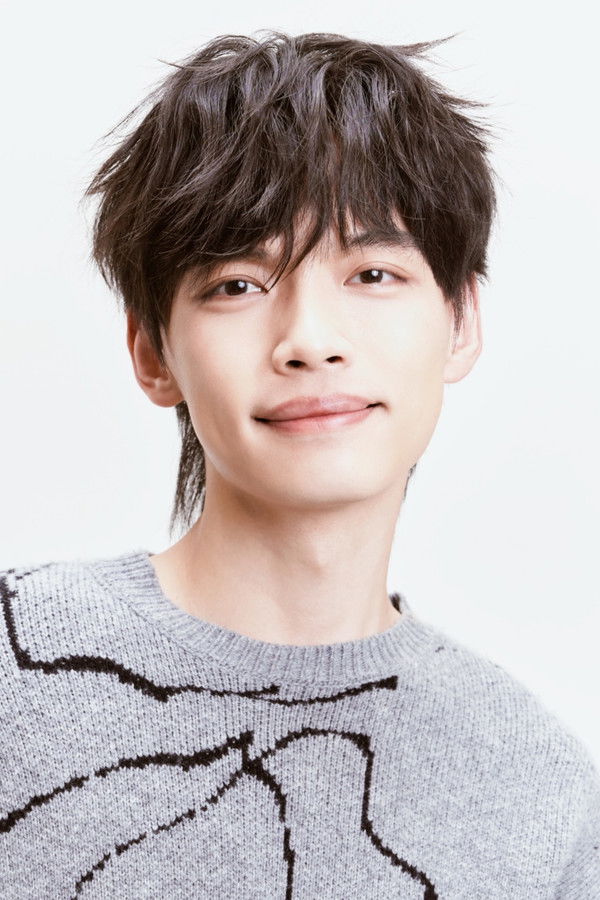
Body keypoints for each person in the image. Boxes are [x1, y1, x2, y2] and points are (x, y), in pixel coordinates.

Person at [1, 30, 598, 899]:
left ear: (461, 321)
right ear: (152, 352)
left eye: (373, 274)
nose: (310, 340)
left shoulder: (538, 786)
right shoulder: (15, 671)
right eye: (238, 285)